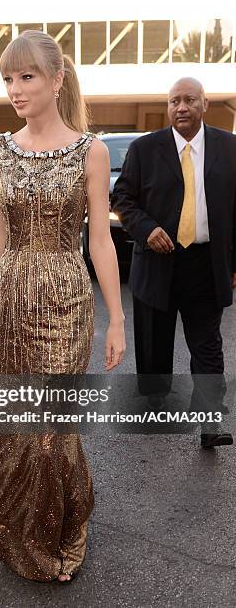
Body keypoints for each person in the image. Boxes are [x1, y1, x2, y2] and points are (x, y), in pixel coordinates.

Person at [0, 31, 125, 583]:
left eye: (26, 76)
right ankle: (19, 537)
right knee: (20, 425)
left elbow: (101, 241)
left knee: (51, 430)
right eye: (8, 78)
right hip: (12, 295)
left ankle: (60, 528)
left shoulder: (93, 151)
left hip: (65, 299)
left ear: (57, 80)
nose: (15, 88)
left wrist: (117, 320)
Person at [112, 77, 236, 448]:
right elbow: (122, 198)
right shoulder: (144, 149)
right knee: (154, 342)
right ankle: (154, 392)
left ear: (205, 105)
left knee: (207, 345)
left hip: (205, 263)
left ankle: (210, 420)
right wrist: (147, 229)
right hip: (157, 262)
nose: (181, 107)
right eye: (174, 101)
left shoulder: (229, 148)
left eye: (189, 100)